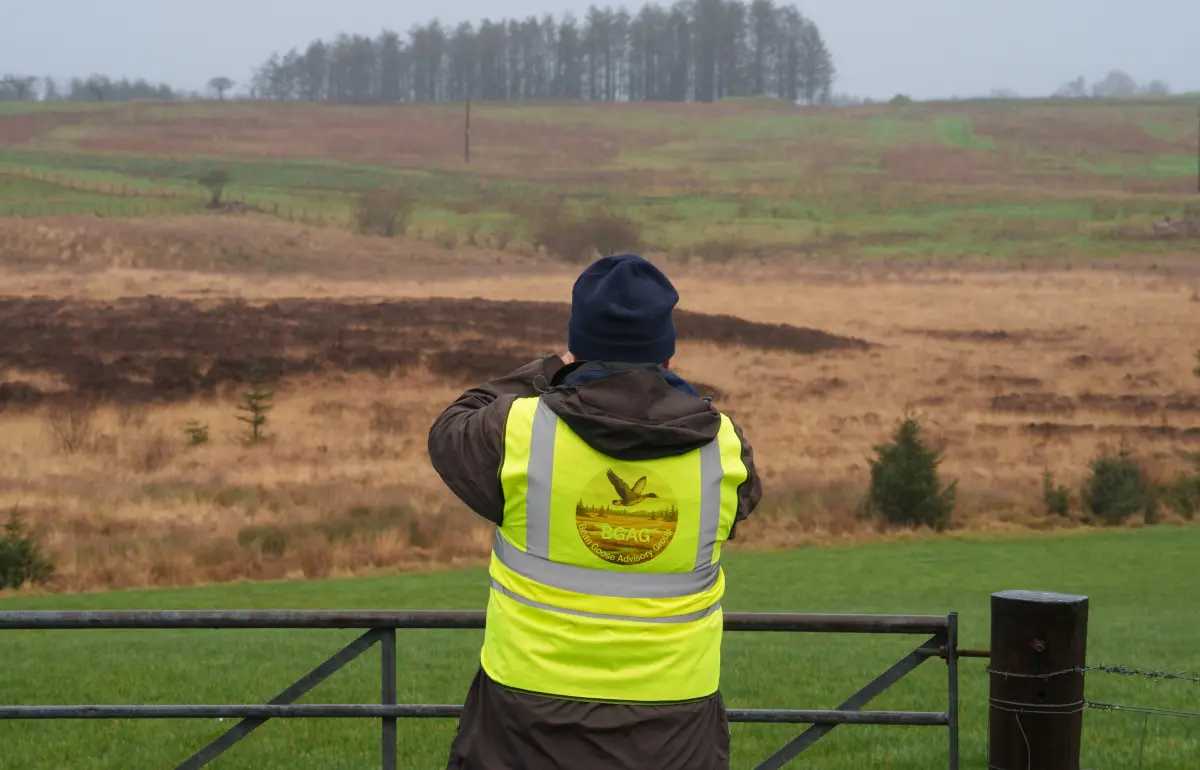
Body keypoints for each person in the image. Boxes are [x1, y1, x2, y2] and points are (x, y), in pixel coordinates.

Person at [427, 253, 762, 770]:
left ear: (579, 345)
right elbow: (740, 504)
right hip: (675, 727)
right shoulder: (724, 448)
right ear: (666, 353)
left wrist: (550, 369)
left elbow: (452, 426)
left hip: (526, 722)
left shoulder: (517, 434)